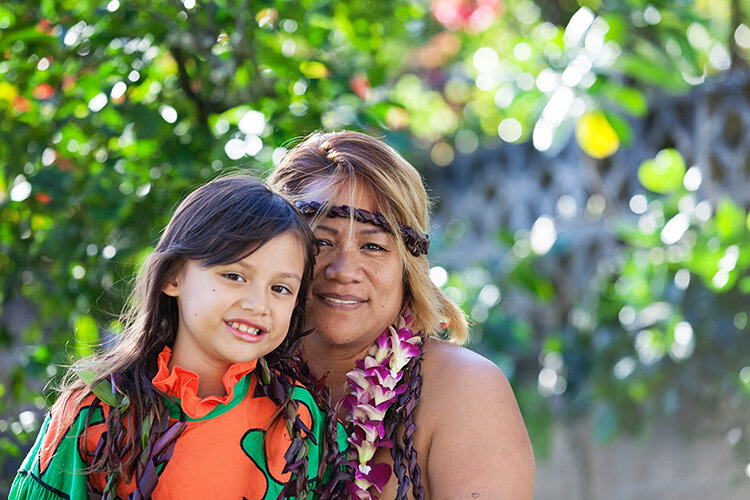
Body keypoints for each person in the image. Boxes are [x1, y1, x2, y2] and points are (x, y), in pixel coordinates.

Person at [10, 175, 345, 499]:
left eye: (280, 288)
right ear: (173, 277)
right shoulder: (95, 409)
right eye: (234, 275)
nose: (258, 304)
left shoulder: (300, 418)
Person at [268, 131, 535, 499]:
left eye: (373, 245)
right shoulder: (231, 378)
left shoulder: (465, 389)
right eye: (322, 241)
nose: (344, 270)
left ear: (408, 267)